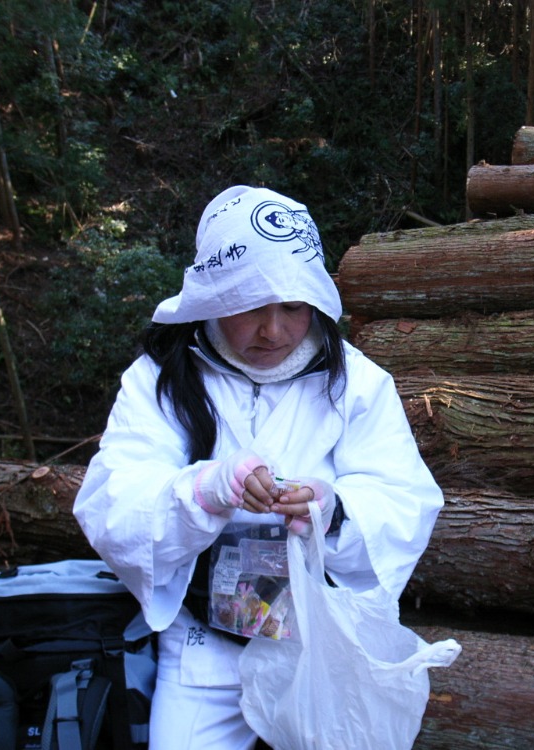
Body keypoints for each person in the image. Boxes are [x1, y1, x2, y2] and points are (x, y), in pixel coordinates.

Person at [73, 185, 444, 750]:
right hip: (205, 644)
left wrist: (334, 510)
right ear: (216, 296)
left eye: (293, 306)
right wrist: (203, 489)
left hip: (324, 644)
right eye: (251, 307)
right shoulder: (162, 379)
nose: (273, 330)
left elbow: (406, 498)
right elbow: (113, 501)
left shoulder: (357, 383)